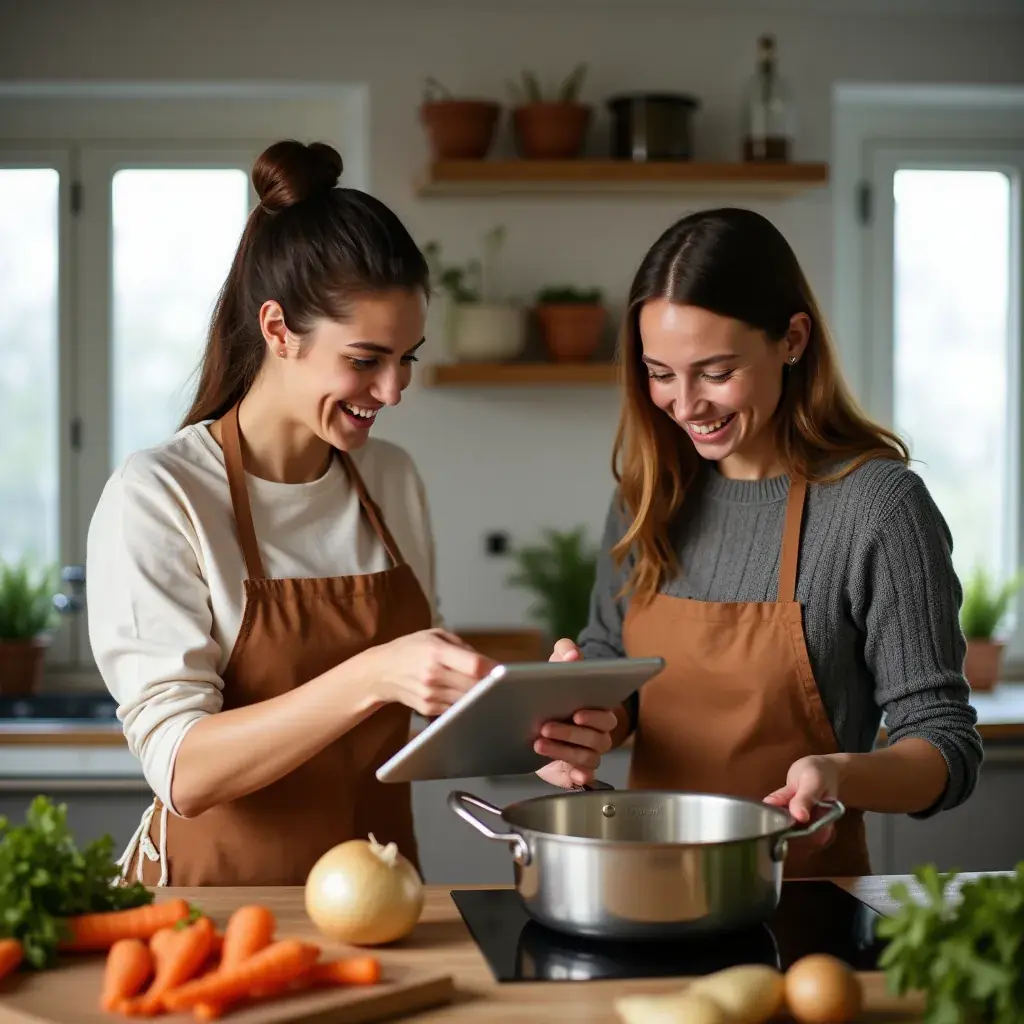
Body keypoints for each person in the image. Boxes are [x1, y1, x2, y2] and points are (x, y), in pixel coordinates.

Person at [87, 139, 617, 887]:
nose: (394, 391)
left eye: (409, 358)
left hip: (379, 895)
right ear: (277, 330)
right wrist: (374, 673)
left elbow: (415, 703)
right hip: (213, 909)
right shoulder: (161, 495)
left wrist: (535, 724)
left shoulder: (390, 479)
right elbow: (183, 770)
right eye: (366, 359)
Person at [552, 207, 983, 877]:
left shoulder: (877, 508)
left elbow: (945, 744)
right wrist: (585, 710)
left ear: (792, 339)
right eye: (661, 373)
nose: (686, 404)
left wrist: (838, 774)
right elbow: (619, 668)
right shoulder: (649, 495)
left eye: (716, 372)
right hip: (640, 887)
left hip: (805, 903)